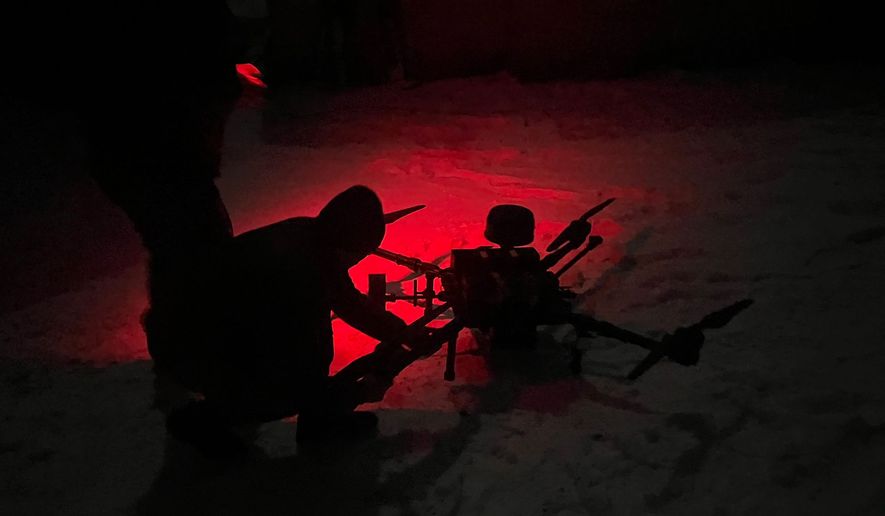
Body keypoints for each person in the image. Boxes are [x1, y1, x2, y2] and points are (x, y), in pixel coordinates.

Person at [162, 186, 422, 455]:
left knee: (311, 355)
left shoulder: (308, 236)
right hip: (194, 349)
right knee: (293, 380)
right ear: (350, 245)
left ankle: (313, 417)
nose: (357, 263)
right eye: (362, 253)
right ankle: (204, 419)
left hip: (190, 331)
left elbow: (346, 300)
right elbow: (302, 373)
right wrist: (360, 392)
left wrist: (400, 332)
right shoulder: (303, 277)